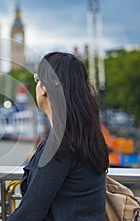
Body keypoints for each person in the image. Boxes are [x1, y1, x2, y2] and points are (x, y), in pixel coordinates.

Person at [8, 52, 109, 221]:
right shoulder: (86, 134)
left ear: (45, 89)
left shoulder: (60, 145)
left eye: (37, 79)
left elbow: (29, 213)